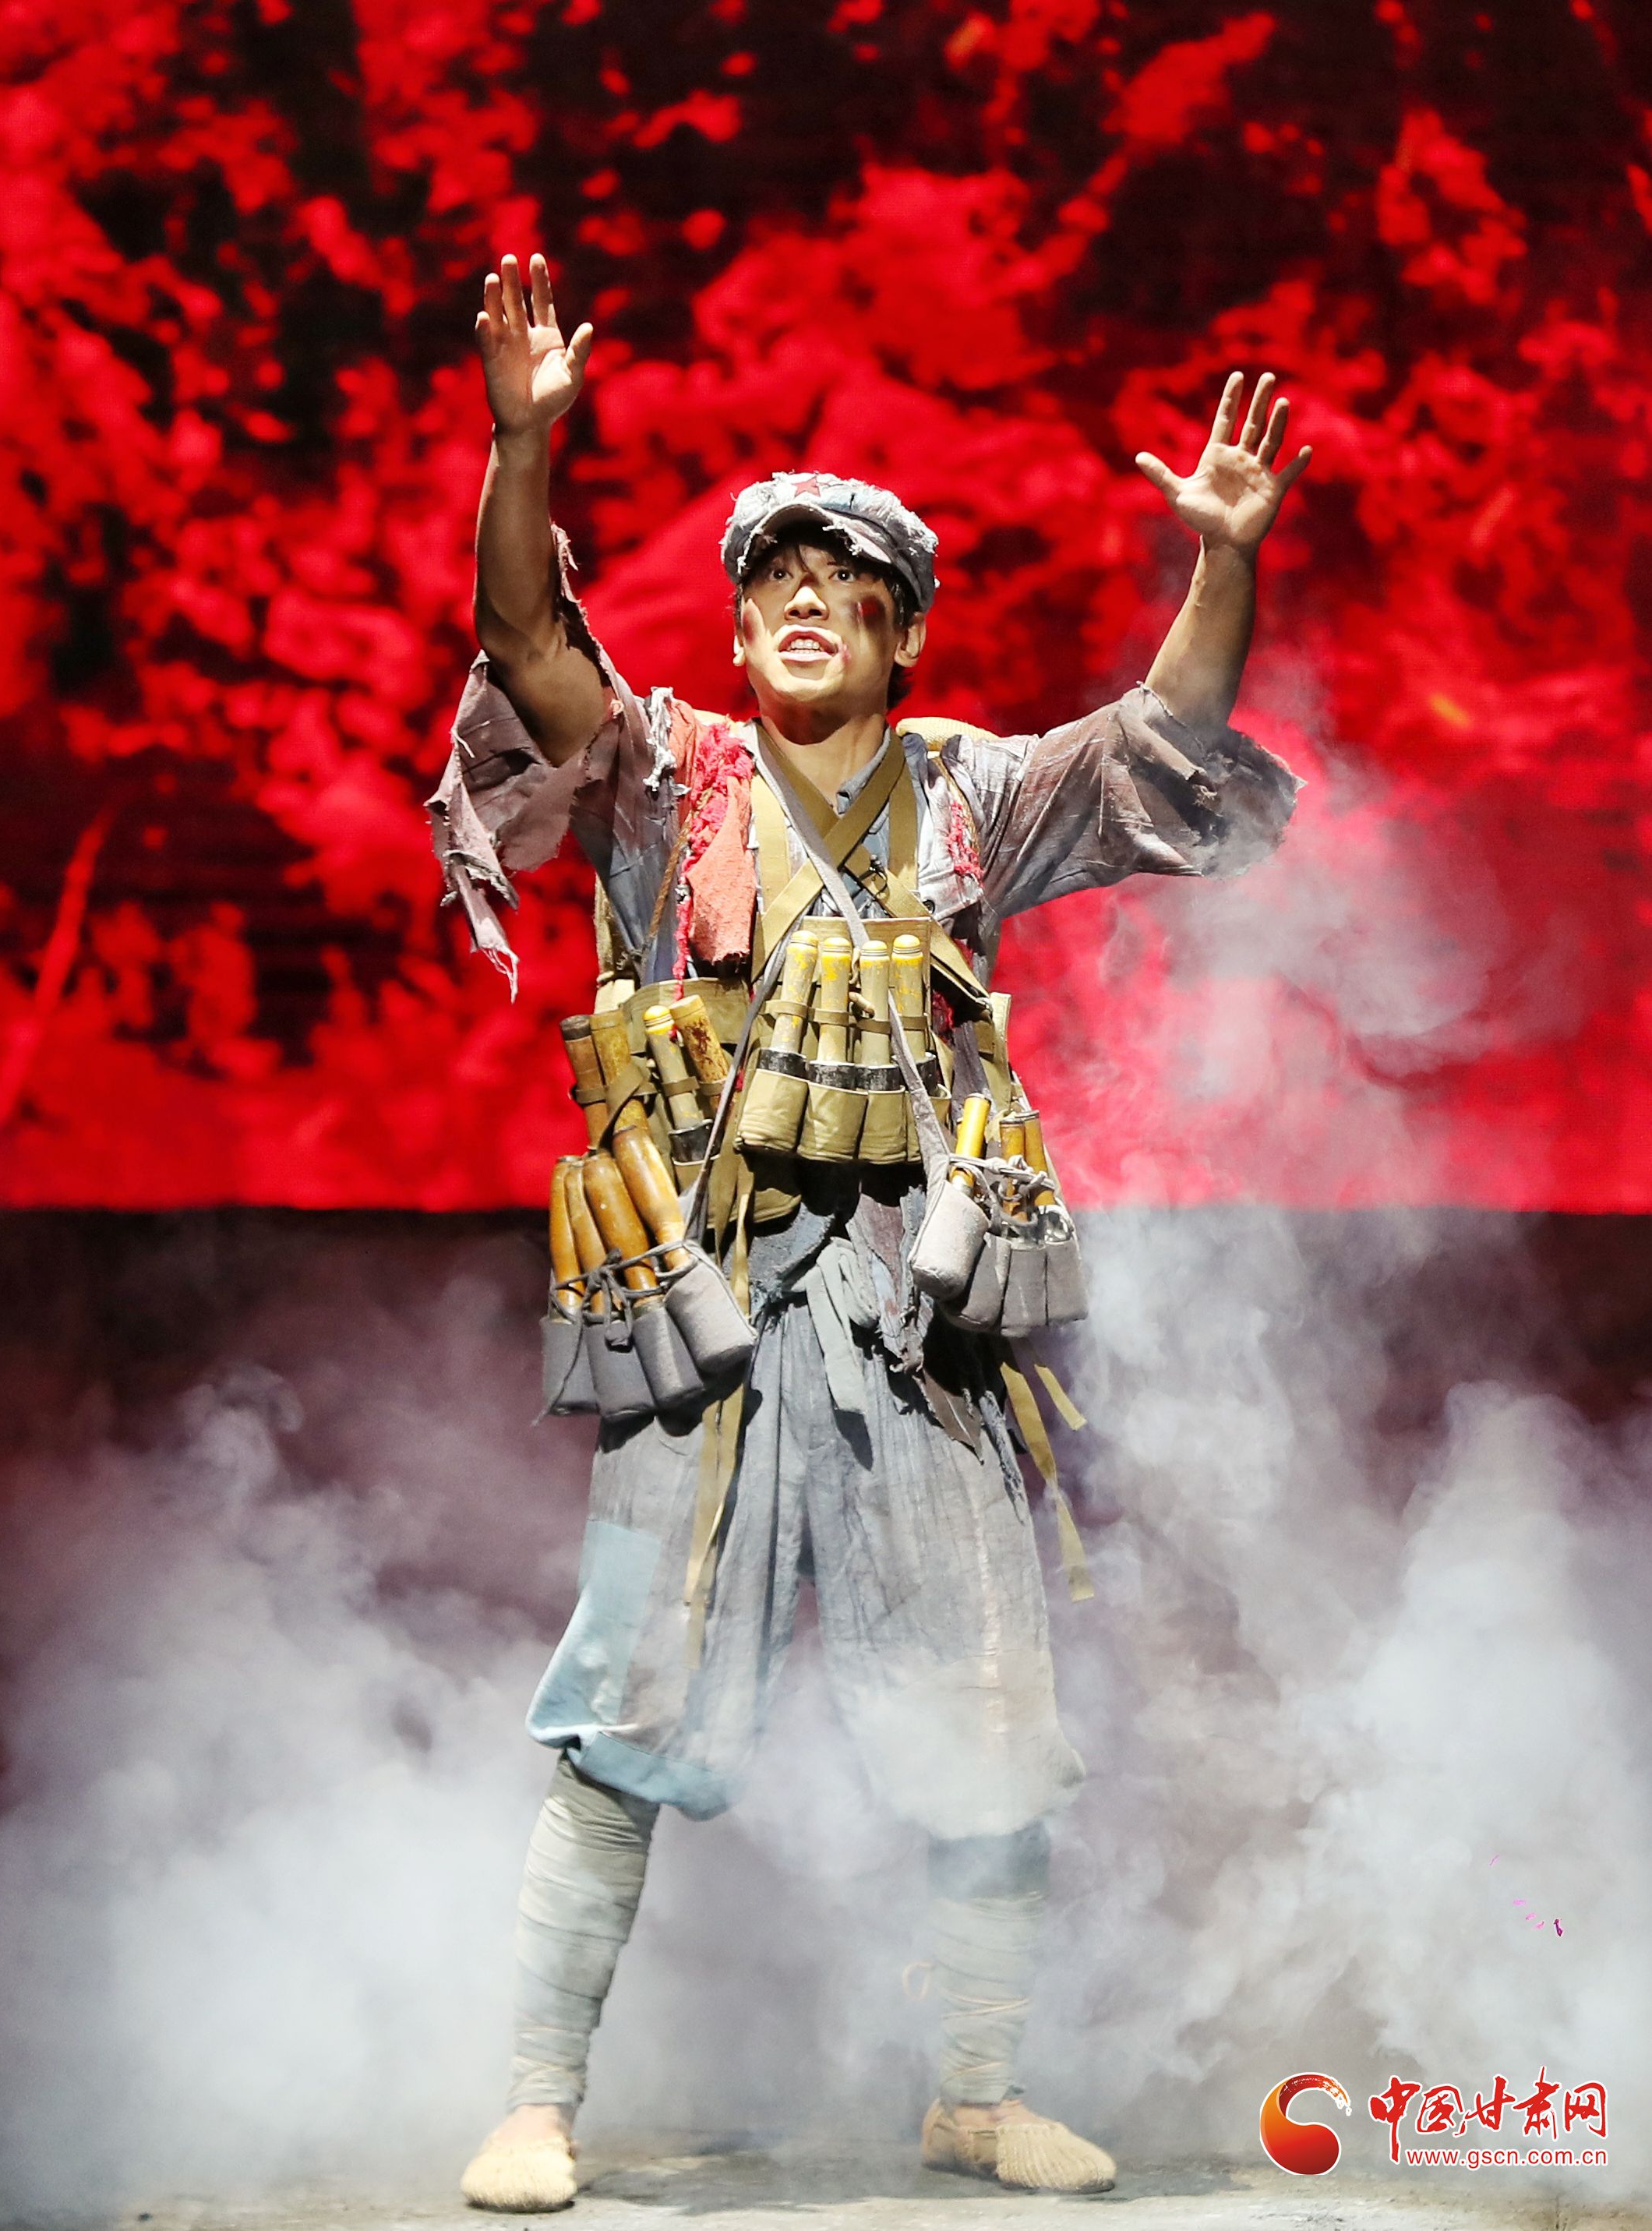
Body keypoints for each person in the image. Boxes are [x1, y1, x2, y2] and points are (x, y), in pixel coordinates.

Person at [430, 252, 1309, 2212]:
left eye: (846, 583)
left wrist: (1221, 560)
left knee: (990, 1703)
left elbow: (1162, 740)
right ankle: (539, 2098)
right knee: (622, 1699)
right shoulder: (667, 774)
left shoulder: (971, 790)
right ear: (740, 625)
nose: (804, 602)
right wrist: (524, 446)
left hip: (922, 1323)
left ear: (903, 631)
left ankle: (975, 2090)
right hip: (705, 1299)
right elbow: (523, 633)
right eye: (774, 582)